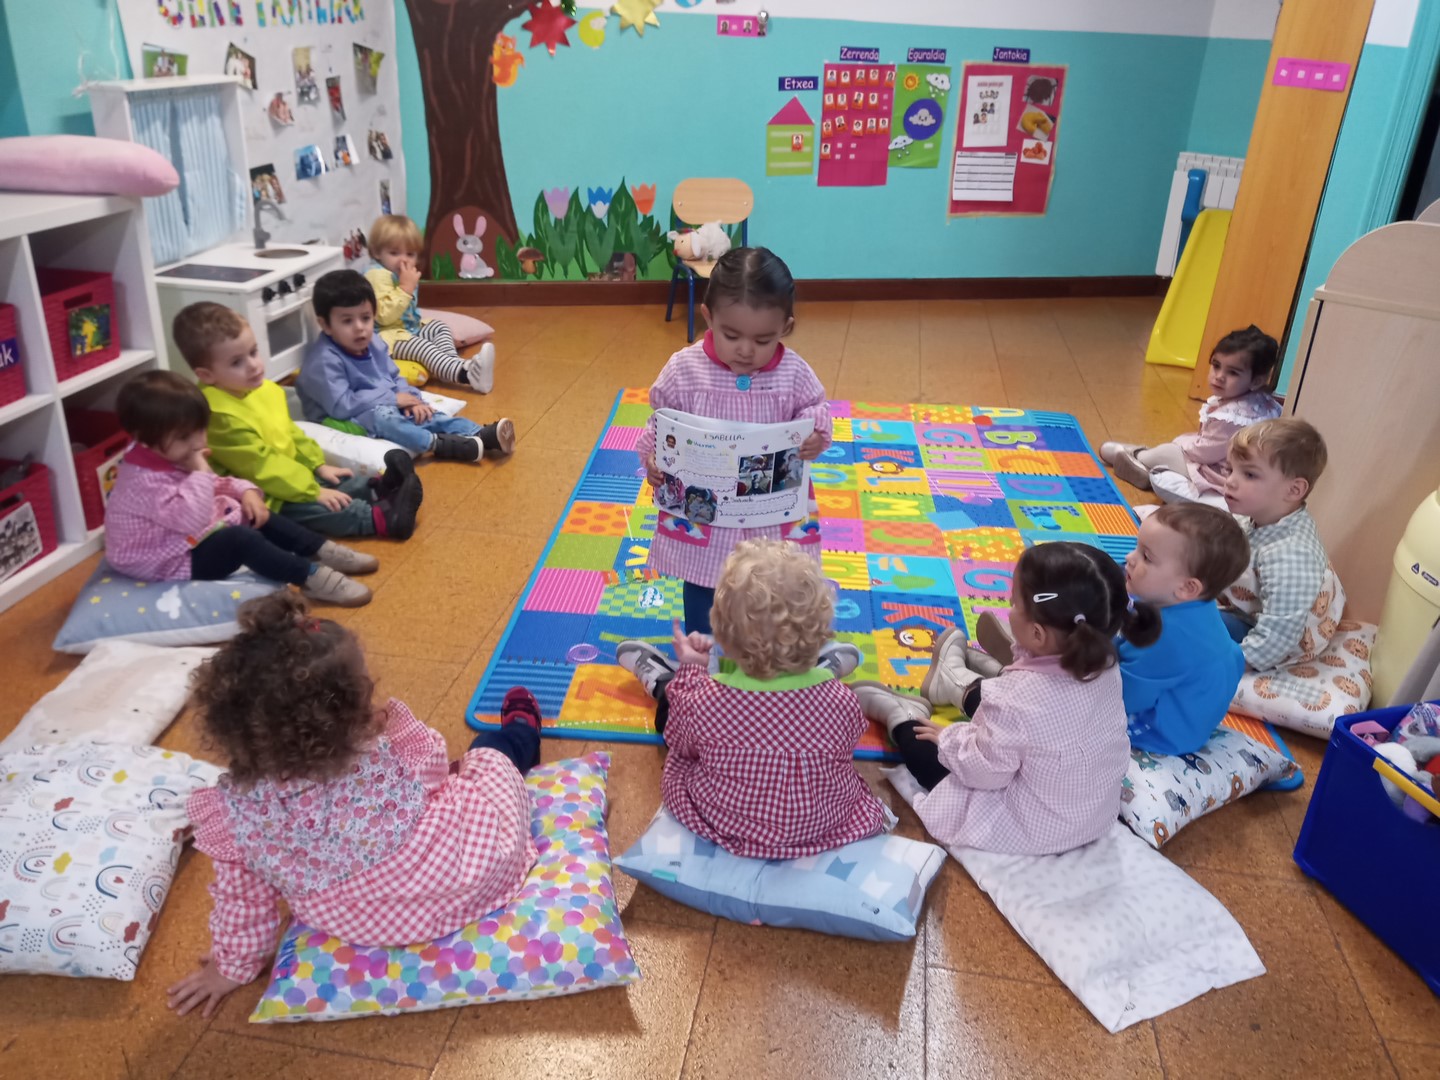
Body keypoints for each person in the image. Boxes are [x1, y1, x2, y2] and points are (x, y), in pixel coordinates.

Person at [166, 592, 544, 1018]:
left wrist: (231, 967)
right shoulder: (381, 748)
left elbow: (243, 902)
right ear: (348, 707)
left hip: (363, 923)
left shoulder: (236, 812)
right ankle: (521, 733)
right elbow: (436, 770)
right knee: (487, 758)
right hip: (471, 874)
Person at [853, 543, 1159, 855]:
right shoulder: (1105, 663)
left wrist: (949, 740)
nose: (1008, 609)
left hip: (1033, 827)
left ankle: (902, 716)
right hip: (1093, 816)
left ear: (1038, 634)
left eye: (1013, 603)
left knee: (931, 758)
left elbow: (984, 772)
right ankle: (954, 681)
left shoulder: (1016, 700)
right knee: (1005, 713)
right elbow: (1025, 718)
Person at [616, 539, 882, 859]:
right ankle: (823, 669)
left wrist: (691, 671)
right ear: (821, 632)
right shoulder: (841, 701)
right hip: (821, 825)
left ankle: (663, 682)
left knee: (678, 717)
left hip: (727, 822)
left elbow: (679, 742)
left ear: (722, 637)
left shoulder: (706, 701)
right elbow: (843, 748)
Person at [637, 247, 829, 636]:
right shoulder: (685, 369)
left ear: (785, 328)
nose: (745, 350)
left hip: (770, 514)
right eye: (731, 335)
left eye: (763, 339)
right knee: (703, 583)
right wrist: (653, 459)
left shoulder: (793, 372)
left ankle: (767, 653)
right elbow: (660, 421)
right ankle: (702, 652)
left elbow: (816, 407)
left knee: (773, 584)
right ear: (708, 317)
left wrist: (816, 434)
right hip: (705, 515)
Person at [104, 371, 372, 606]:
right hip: (170, 560)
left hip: (182, 535)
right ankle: (309, 577)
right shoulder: (144, 482)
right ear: (146, 441)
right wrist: (201, 469)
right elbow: (193, 518)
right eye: (185, 437)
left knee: (255, 512)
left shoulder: (169, 452)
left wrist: (245, 491)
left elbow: (216, 484)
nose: (198, 442)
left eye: (200, 430)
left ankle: (320, 549)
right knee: (241, 540)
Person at [173, 302, 423, 542]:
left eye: (253, 352)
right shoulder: (217, 414)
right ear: (207, 375)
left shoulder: (259, 388)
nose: (253, 365)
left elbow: (290, 431)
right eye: (237, 362)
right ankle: (379, 520)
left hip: (288, 475)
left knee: (334, 480)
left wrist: (317, 465)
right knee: (315, 507)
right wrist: (312, 491)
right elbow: (262, 467)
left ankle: (377, 488)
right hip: (260, 494)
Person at [295, 270, 514, 464]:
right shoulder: (324, 361)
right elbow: (342, 405)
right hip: (341, 415)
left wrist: (411, 399)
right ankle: (437, 444)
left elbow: (393, 375)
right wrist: (392, 399)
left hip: (377, 399)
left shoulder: (372, 342)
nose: (360, 328)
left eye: (366, 318)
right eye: (347, 321)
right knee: (385, 418)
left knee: (426, 413)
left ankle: (480, 433)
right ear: (325, 325)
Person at [1118, 504, 1249, 755]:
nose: (1129, 558)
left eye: (1146, 557)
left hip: (1159, 734)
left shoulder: (1166, 636)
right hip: (1190, 717)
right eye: (1137, 547)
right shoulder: (1195, 606)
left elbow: (1122, 697)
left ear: (1187, 588)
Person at [1101, 325, 1281, 506]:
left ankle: (1137, 457)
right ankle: (1144, 459)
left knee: (1169, 451)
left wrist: (1180, 443)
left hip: (1221, 473)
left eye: (1233, 372)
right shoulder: (1262, 401)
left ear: (1256, 381)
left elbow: (1204, 453)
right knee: (1176, 448)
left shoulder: (1234, 416)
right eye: (1216, 366)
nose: (1219, 376)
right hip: (1231, 464)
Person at [1218, 417, 1331, 672]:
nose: (1230, 481)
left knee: (1191, 624)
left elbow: (1279, 634)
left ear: (1293, 490)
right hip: (1248, 609)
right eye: (1230, 469)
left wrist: (1232, 666)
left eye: (1249, 474)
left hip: (1269, 635)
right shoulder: (1257, 516)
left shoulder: (1291, 554)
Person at [365, 215, 495, 392]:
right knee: (424, 348)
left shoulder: (402, 273)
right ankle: (467, 374)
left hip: (408, 329)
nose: (403, 260)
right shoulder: (377, 275)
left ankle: (450, 367)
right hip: (386, 338)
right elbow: (383, 316)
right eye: (394, 253)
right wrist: (405, 288)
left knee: (440, 327)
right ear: (376, 252)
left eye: (410, 254)